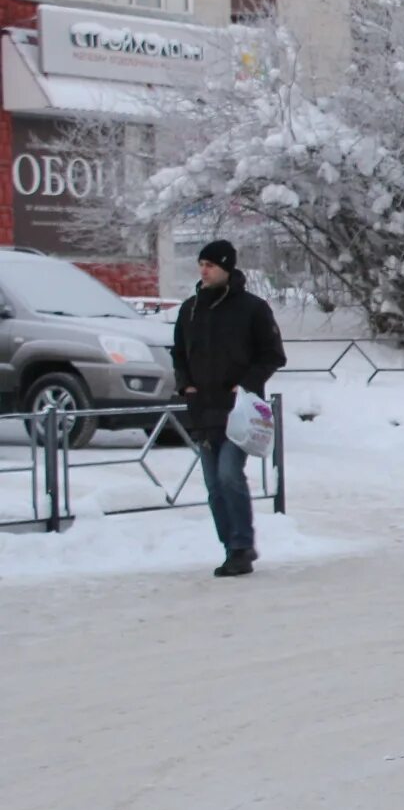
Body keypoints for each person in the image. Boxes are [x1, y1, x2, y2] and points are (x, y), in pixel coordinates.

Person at [172, 240, 286, 577]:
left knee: (228, 474)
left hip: (239, 409)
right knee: (213, 484)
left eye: (210, 264)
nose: (203, 270)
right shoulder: (190, 309)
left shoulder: (252, 308)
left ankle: (240, 545)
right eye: (201, 264)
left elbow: (273, 354)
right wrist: (186, 385)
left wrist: (246, 384)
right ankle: (232, 546)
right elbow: (179, 351)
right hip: (202, 408)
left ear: (226, 267)